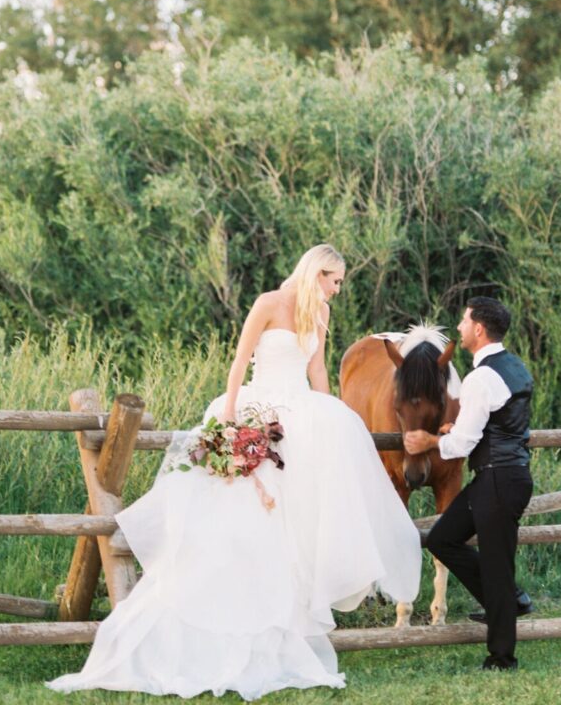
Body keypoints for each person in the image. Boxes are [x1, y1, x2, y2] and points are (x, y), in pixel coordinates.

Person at [47, 244, 421, 700]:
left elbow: (319, 371)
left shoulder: (317, 312)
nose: (337, 289)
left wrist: (335, 417)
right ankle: (216, 623)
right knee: (234, 525)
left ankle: (282, 624)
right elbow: (239, 364)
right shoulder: (268, 304)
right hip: (256, 408)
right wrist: (228, 423)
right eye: (333, 279)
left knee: (291, 527)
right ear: (314, 271)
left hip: (298, 419)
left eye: (340, 282)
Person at [403, 296, 534, 671]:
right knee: (443, 538)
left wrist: (430, 441)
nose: (459, 327)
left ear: (478, 329)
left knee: (496, 566)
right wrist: (453, 428)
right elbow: (498, 423)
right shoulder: (515, 367)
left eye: (463, 321)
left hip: (498, 479)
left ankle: (502, 658)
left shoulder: (480, 378)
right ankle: (510, 599)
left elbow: (461, 445)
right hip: (504, 477)